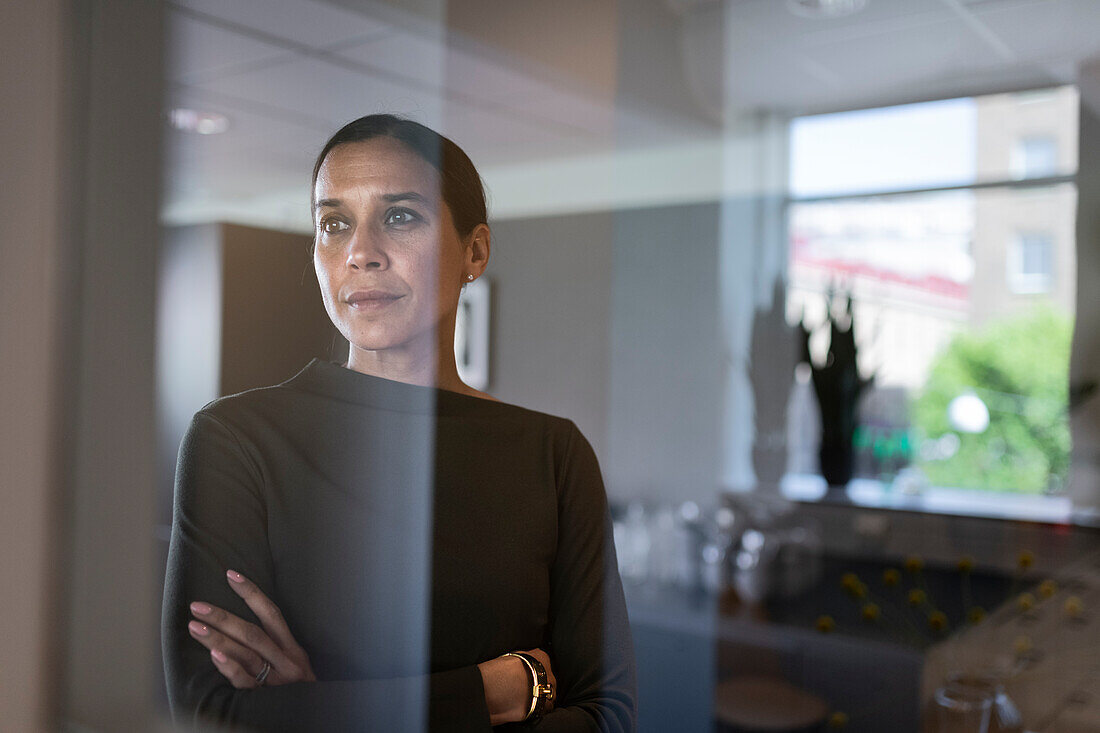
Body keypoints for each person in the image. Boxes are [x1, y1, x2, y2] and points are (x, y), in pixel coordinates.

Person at [161, 114, 637, 731]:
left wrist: (319, 706)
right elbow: (213, 712)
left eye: (400, 215)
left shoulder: (553, 455)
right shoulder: (237, 439)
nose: (360, 252)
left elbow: (610, 718)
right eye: (334, 223)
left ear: (475, 251)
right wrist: (489, 694)